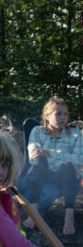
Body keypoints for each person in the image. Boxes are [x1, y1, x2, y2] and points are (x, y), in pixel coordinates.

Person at [23, 97, 83, 236]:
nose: (63, 118)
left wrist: (52, 154)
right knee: (39, 160)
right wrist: (43, 155)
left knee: (68, 166)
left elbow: (80, 159)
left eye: (65, 114)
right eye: (58, 114)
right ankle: (34, 211)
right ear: (47, 116)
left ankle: (69, 217)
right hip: (42, 174)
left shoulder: (76, 134)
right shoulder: (37, 131)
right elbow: (33, 156)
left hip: (64, 177)